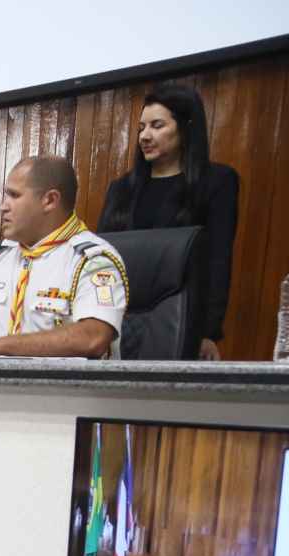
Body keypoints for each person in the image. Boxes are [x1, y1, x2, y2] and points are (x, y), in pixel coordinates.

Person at [0, 157, 128, 359]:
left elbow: (93, 337)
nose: (3, 207)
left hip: (63, 380)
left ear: (50, 200)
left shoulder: (93, 260)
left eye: (14, 195)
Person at [98, 84, 239, 362]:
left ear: (186, 128)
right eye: (141, 128)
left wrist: (208, 333)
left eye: (157, 126)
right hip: (116, 320)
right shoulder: (122, 189)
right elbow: (100, 261)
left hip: (183, 322)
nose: (145, 136)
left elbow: (218, 260)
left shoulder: (216, 182)